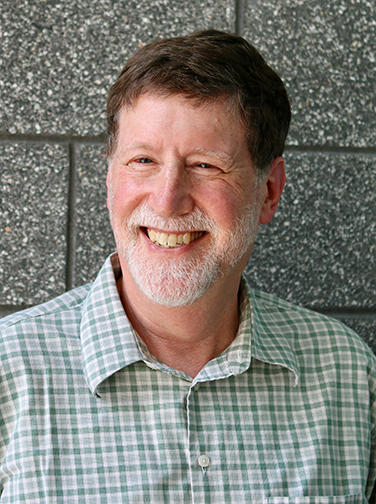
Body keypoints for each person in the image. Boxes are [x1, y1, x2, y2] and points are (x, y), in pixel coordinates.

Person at [0, 29, 375, 503]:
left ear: (270, 191)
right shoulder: (9, 373)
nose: (167, 199)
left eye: (205, 165)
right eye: (143, 160)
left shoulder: (347, 376)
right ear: (110, 178)